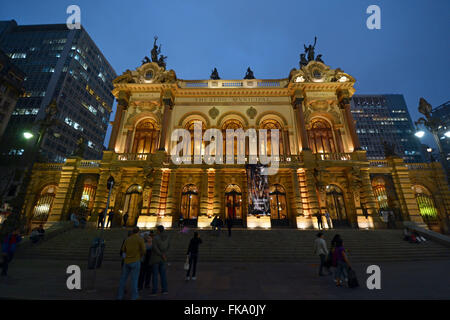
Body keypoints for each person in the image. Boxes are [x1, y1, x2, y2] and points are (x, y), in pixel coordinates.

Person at [117, 227, 146, 300]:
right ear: (138, 232)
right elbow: (144, 250)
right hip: (135, 261)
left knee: (123, 279)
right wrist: (140, 256)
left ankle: (120, 296)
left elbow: (123, 250)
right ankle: (134, 296)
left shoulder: (127, 239)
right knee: (134, 280)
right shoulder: (140, 239)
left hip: (126, 261)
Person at [150, 225, 170, 295]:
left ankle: (154, 291)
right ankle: (164, 290)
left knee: (155, 275)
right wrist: (164, 254)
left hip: (156, 258)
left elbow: (155, 248)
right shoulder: (167, 237)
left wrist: (161, 254)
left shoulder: (155, 238)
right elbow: (169, 247)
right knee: (163, 275)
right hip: (163, 259)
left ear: (158, 230)